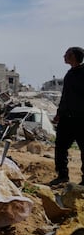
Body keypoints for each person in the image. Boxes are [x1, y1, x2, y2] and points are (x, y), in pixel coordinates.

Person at [49, 46, 84, 186]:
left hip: (81, 119)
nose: (64, 56)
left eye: (67, 55)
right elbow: (65, 97)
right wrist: (59, 114)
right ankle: (62, 175)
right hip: (67, 118)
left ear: (73, 57)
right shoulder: (70, 74)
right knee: (60, 146)